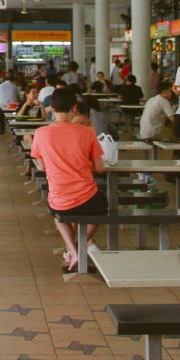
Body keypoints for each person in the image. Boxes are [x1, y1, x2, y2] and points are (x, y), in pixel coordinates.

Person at [30, 87, 106, 274]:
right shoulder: (87, 132)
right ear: (74, 108)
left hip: (60, 200)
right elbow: (99, 168)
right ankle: (78, 247)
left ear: (52, 109)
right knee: (103, 207)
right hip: (88, 199)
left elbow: (42, 167)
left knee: (58, 214)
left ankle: (72, 250)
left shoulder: (40, 133)